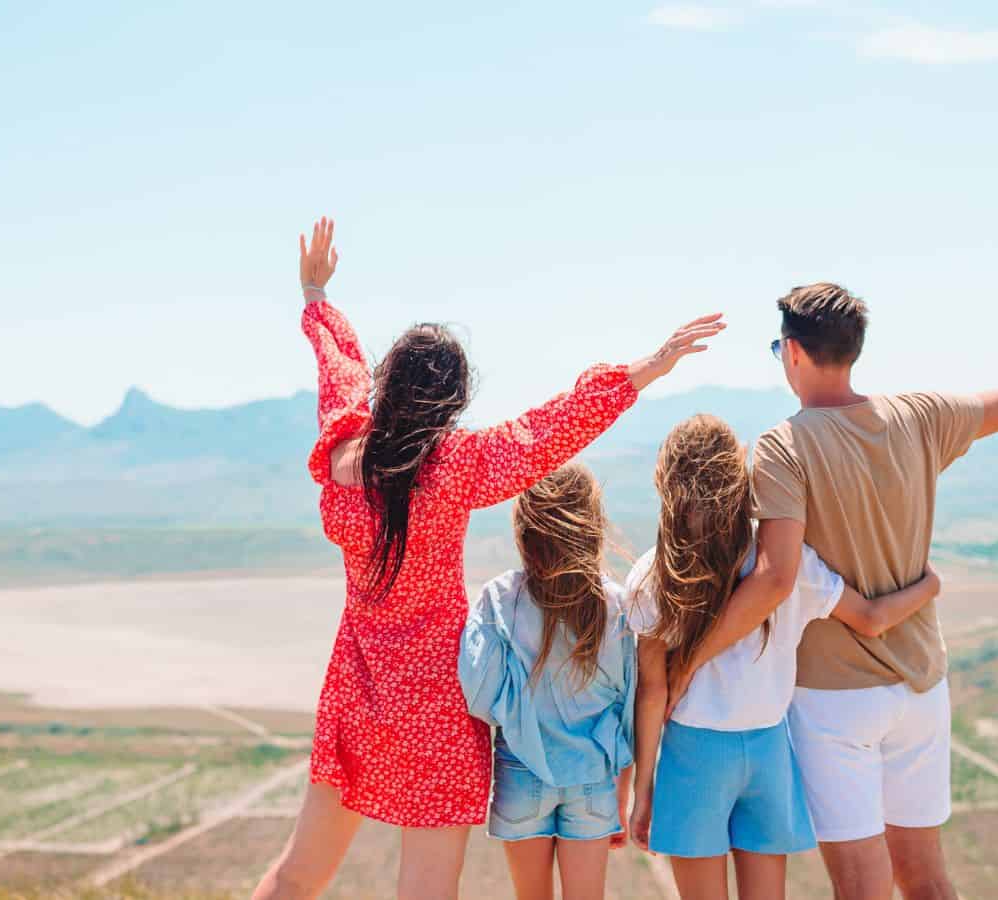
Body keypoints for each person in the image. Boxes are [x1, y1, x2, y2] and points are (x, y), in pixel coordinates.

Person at [253, 217, 725, 900]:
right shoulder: (454, 465)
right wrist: (643, 371)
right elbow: (547, 431)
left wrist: (315, 296)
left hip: (357, 686)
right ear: (450, 402)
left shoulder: (343, 450)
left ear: (389, 386)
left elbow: (338, 374)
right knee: (427, 890)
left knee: (301, 871)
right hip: (439, 703)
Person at [668, 284, 998, 900]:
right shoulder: (920, 416)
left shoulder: (782, 447)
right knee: (927, 880)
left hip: (834, 698)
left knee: (860, 887)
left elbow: (775, 577)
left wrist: (690, 658)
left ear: (792, 352)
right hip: (922, 682)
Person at [626, 414, 940, 900]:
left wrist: (643, 790)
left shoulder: (653, 574)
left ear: (666, 482)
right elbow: (873, 617)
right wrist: (930, 585)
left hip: (694, 756)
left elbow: (652, 694)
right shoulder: (787, 563)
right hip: (770, 754)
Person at [458, 462, 636, 900]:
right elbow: (629, 705)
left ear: (525, 531)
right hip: (595, 778)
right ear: (593, 527)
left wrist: (517, 709)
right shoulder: (616, 604)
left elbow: (478, 693)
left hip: (521, 773)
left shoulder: (499, 597)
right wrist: (622, 794)